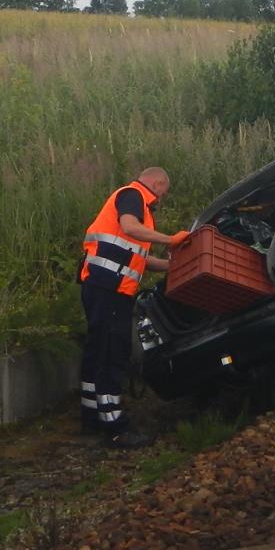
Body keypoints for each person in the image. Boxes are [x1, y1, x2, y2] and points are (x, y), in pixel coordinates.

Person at [79, 167, 189, 448]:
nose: (163, 197)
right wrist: (170, 239)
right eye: (164, 190)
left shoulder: (140, 208)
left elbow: (139, 256)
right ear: (158, 182)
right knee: (111, 352)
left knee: (97, 349)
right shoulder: (133, 195)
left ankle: (92, 414)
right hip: (109, 288)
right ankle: (115, 426)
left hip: (104, 287)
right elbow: (129, 227)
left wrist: (170, 266)